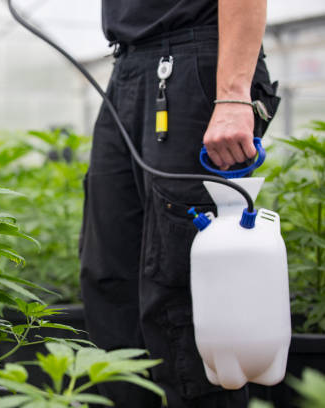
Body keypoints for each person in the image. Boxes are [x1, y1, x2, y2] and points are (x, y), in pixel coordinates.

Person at [79, 1, 281, 407]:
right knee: (109, 278)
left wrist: (233, 94)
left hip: (196, 61)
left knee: (182, 285)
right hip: (129, 66)